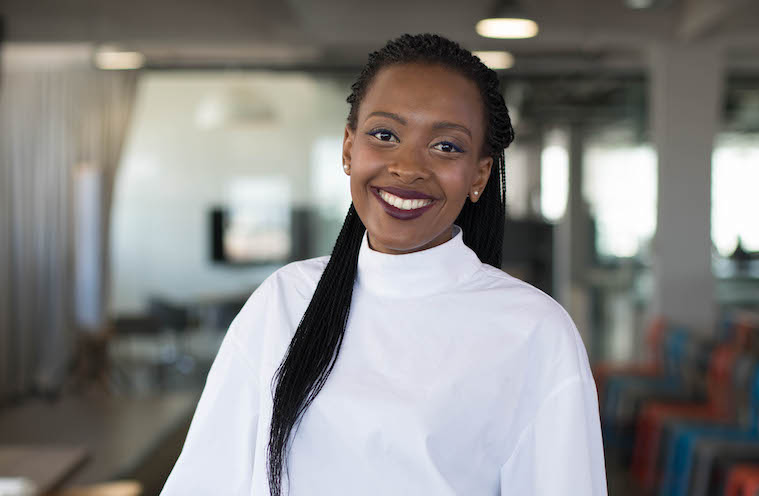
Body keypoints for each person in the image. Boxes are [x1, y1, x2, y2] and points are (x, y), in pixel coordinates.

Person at [161, 33, 608, 496]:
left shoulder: (533, 330)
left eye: (447, 146)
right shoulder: (283, 301)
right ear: (349, 150)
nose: (408, 167)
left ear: (479, 175)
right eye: (385, 135)